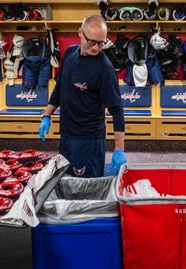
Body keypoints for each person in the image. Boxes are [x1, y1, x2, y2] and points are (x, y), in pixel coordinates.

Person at [38, 14, 127, 177]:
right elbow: (60, 88)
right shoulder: (70, 53)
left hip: (88, 141)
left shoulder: (105, 69)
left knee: (87, 190)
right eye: (91, 42)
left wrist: (119, 149)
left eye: (101, 43)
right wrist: (47, 115)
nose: (95, 48)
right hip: (66, 135)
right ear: (80, 33)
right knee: (66, 182)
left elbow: (117, 110)